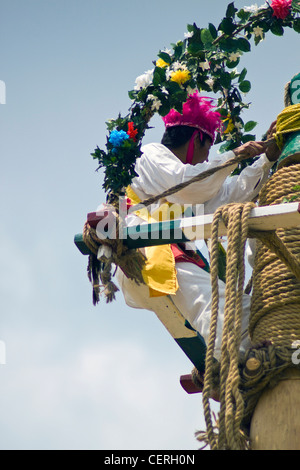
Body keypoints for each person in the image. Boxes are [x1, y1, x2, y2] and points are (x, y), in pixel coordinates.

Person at [116, 92, 280, 361]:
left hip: (171, 257)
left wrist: (266, 160)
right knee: (216, 305)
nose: (207, 158)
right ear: (195, 139)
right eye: (207, 147)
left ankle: (251, 357)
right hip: (147, 253)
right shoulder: (151, 155)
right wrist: (234, 156)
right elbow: (190, 183)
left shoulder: (192, 187)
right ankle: (229, 365)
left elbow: (230, 196)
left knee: (244, 308)